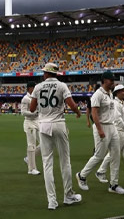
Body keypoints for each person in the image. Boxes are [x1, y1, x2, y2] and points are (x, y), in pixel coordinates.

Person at [29, 62, 83, 210]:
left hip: (43, 125)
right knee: (65, 161)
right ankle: (68, 195)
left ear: (46, 73)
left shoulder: (38, 87)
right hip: (59, 123)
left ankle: (52, 201)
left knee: (47, 164)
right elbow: (71, 104)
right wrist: (78, 112)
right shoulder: (62, 85)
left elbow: (32, 108)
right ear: (56, 74)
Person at [76, 70, 124, 195]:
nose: (113, 82)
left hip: (112, 126)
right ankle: (81, 175)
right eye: (111, 80)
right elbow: (94, 113)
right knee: (99, 155)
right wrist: (99, 129)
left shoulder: (109, 93)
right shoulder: (97, 94)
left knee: (115, 155)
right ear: (104, 81)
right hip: (102, 126)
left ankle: (113, 184)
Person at [20, 81, 41, 175]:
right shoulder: (25, 98)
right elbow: (23, 112)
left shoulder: (36, 97)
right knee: (31, 145)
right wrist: (34, 113)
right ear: (30, 88)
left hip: (38, 121)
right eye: (34, 87)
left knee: (44, 144)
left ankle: (28, 158)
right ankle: (31, 169)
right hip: (29, 122)